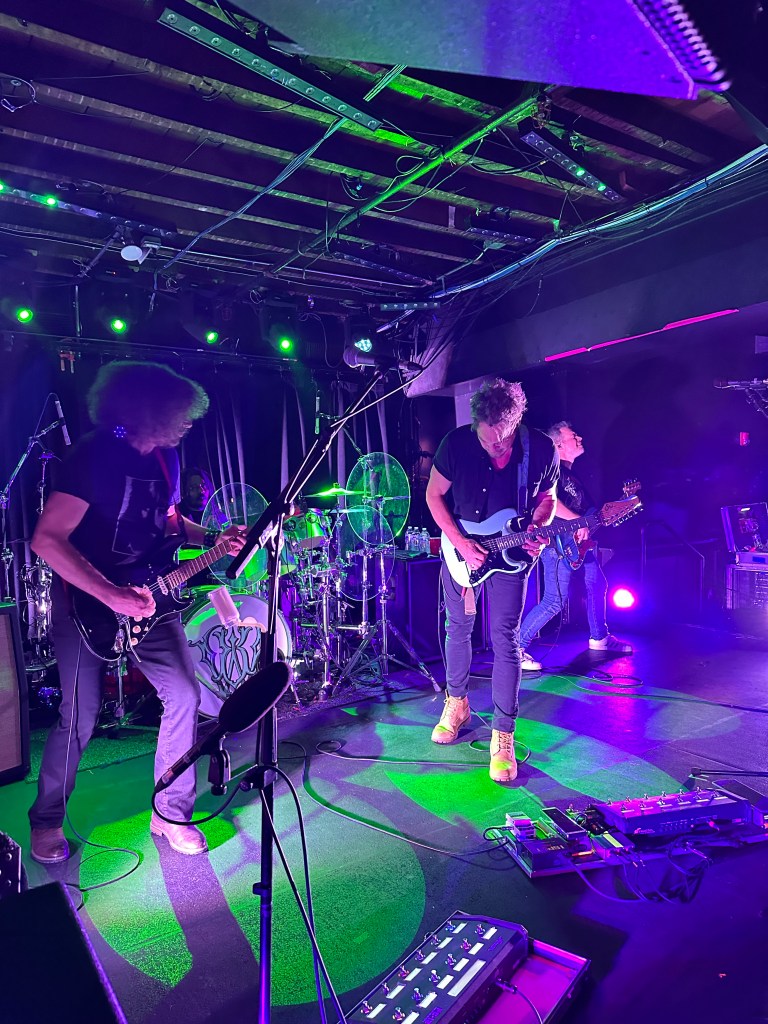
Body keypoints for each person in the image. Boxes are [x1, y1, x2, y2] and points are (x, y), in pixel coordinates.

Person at [28, 361, 245, 864]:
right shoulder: (92, 456)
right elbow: (46, 539)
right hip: (86, 602)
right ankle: (46, 820)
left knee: (185, 694)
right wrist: (110, 594)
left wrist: (214, 537)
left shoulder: (167, 460)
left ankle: (170, 813)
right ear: (150, 411)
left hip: (151, 599)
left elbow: (170, 523)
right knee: (78, 716)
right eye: (179, 413)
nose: (187, 422)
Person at [426, 379, 559, 783]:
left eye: (500, 440)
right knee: (458, 628)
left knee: (506, 638)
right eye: (485, 440)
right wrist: (460, 542)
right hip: (461, 552)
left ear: (516, 422)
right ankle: (457, 703)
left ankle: (503, 735)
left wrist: (539, 527)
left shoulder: (541, 448)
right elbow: (433, 496)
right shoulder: (455, 444)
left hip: (512, 556)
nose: (493, 447)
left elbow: (548, 499)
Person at [518, 422, 632, 670]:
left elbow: (588, 513)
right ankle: (515, 649)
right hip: (557, 545)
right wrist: (579, 521)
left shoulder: (572, 475)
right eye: (573, 436)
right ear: (558, 444)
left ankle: (599, 638)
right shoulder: (552, 470)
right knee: (554, 600)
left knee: (597, 584)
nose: (580, 437)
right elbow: (551, 504)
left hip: (579, 543)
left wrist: (614, 510)